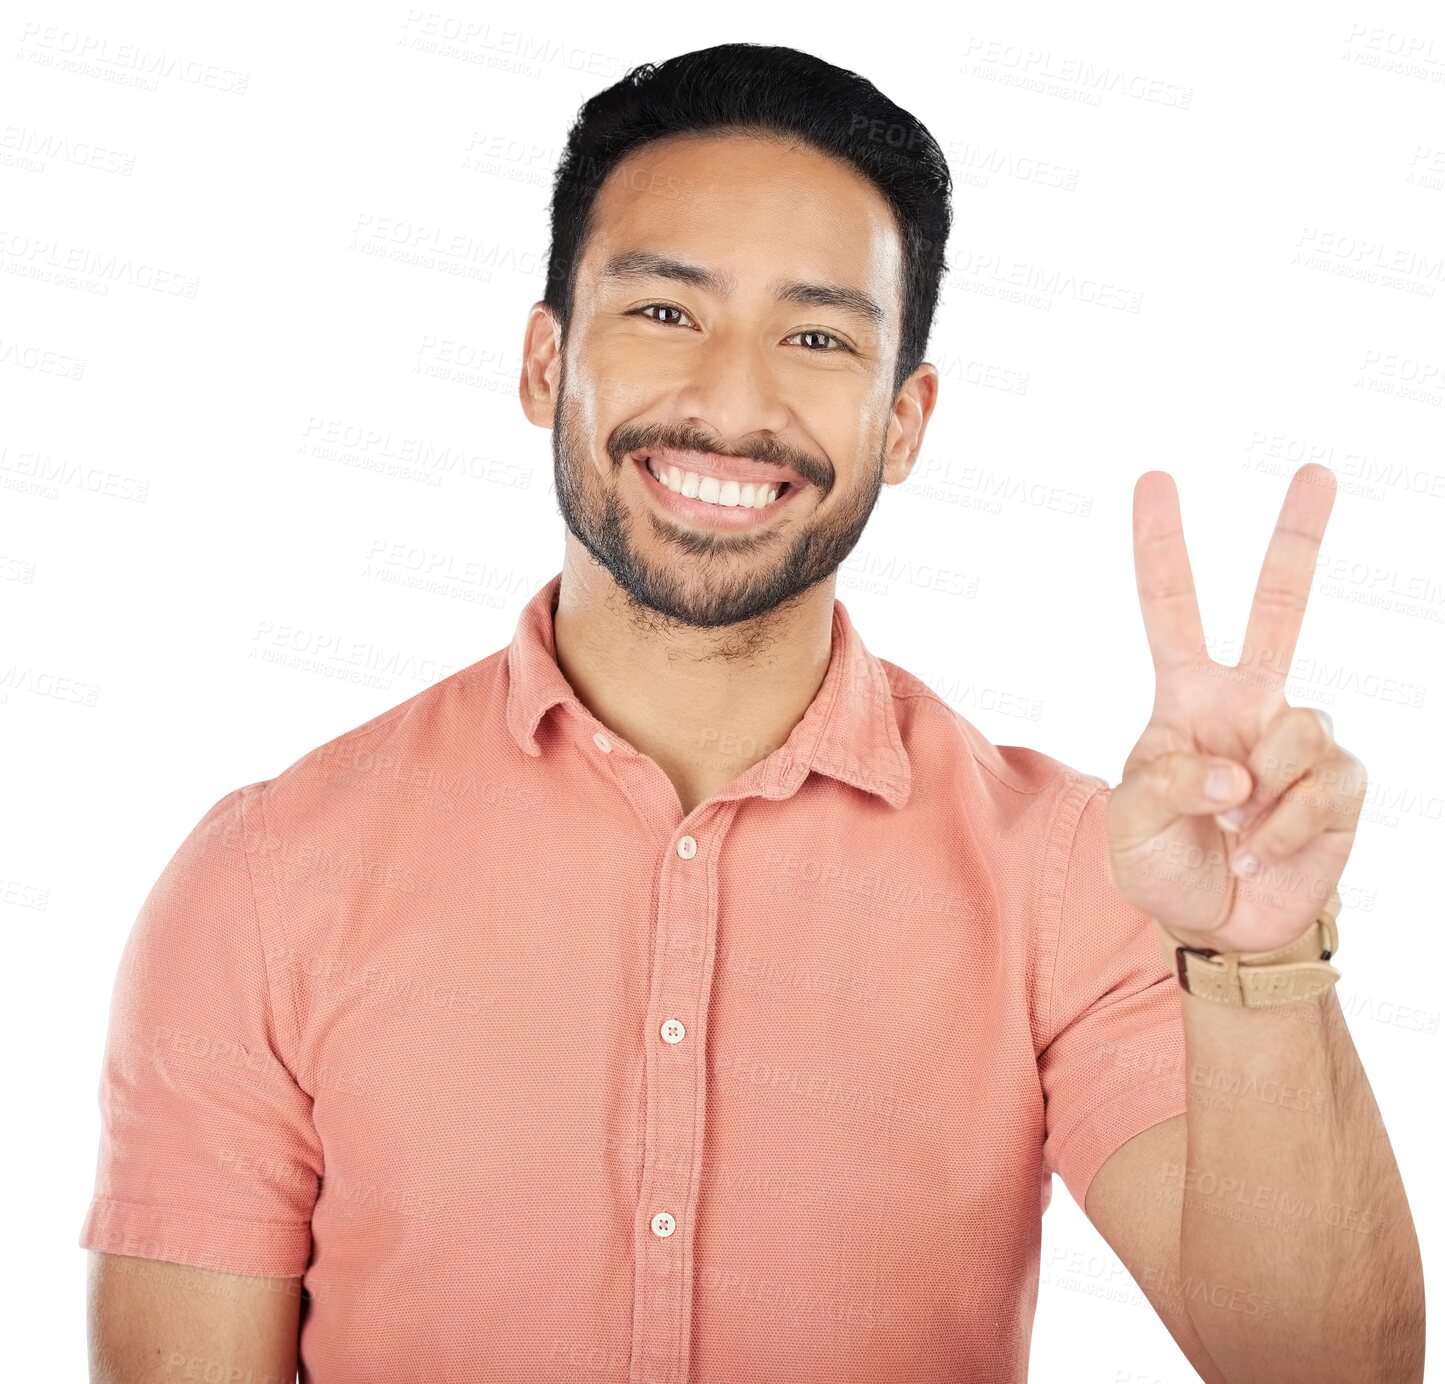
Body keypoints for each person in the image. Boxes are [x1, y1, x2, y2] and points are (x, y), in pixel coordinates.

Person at [81, 42, 1423, 1384]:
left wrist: (1259, 963)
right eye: (664, 313)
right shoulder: (263, 879)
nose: (732, 402)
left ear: (905, 421)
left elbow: (1325, 1371)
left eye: (818, 336)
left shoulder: (1072, 876)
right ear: (544, 362)